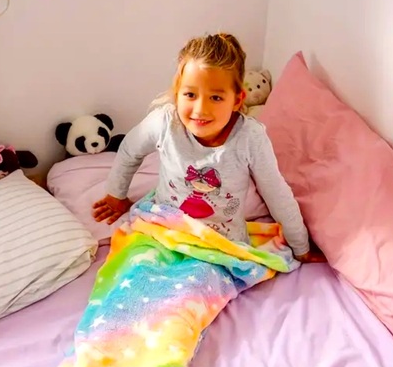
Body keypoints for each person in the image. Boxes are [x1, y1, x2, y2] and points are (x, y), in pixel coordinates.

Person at [92, 32, 324, 262]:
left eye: (216, 98)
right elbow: (129, 150)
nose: (200, 110)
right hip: (167, 228)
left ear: (237, 100)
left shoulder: (250, 138)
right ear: (177, 93)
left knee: (199, 282)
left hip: (221, 242)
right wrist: (116, 194)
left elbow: (276, 193)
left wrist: (300, 246)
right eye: (190, 94)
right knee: (137, 267)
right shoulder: (164, 122)